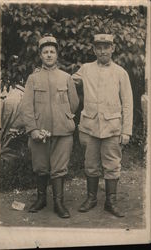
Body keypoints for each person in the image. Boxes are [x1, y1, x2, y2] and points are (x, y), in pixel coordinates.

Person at [72, 34, 133, 217]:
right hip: (90, 127)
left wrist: (126, 131)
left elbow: (128, 103)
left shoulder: (120, 72)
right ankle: (91, 198)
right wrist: (45, 74)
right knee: (90, 164)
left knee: (112, 164)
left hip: (112, 128)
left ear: (113, 48)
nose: (103, 51)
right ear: (94, 50)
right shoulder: (86, 69)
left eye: (106, 47)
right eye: (99, 47)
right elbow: (67, 82)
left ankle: (110, 201)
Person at [21, 34, 79, 218]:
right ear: (40, 55)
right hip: (40, 131)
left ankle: (59, 203)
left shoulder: (66, 77)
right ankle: (41, 199)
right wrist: (33, 129)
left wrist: (65, 117)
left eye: (52, 51)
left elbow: (74, 103)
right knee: (41, 166)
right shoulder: (33, 79)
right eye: (45, 52)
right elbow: (26, 106)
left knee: (59, 168)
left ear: (57, 55)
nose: (48, 55)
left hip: (63, 131)